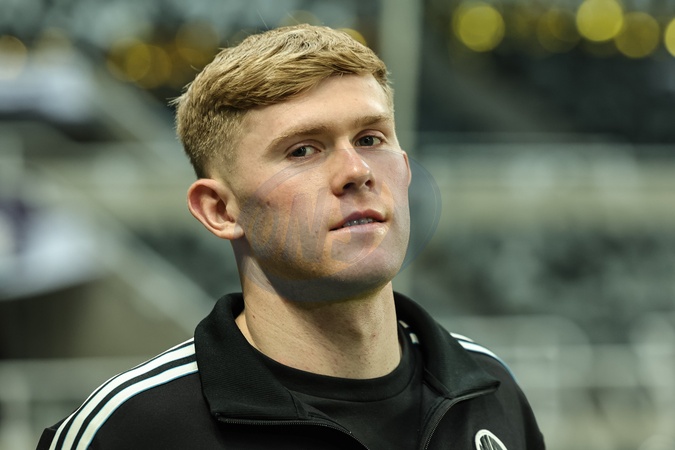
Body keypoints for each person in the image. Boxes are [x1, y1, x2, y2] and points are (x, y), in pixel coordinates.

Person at [37, 24, 545, 449]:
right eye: (303, 150)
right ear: (219, 210)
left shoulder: (491, 390)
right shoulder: (130, 429)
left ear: (406, 170)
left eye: (371, 138)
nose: (357, 171)